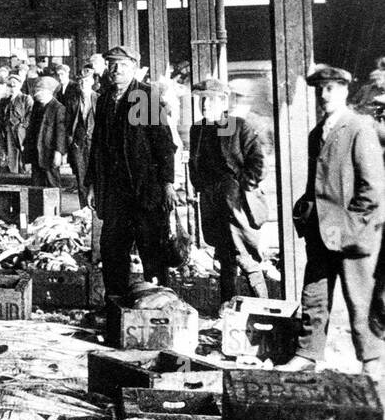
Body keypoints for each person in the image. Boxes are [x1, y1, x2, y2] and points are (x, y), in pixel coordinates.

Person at [283, 66, 385, 377]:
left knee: (361, 299)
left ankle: (372, 360)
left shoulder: (359, 127)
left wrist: (353, 222)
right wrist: (305, 210)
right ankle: (307, 354)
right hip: (320, 232)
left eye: (330, 88)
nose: (323, 95)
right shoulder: (318, 133)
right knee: (314, 295)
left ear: (344, 91)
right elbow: (317, 182)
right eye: (319, 89)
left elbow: (373, 186)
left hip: (352, 233)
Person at [89, 45, 177, 297]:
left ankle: (157, 304)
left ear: (134, 69)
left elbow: (163, 142)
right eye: (112, 65)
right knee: (112, 248)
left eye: (123, 66)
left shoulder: (144, 96)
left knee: (151, 249)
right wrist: (94, 184)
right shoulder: (106, 98)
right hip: (116, 192)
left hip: (145, 189)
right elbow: (97, 145)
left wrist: (167, 183)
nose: (116, 70)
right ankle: (116, 304)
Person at [187, 78, 268, 301]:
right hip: (212, 201)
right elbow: (195, 163)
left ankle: (264, 306)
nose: (204, 105)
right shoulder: (199, 129)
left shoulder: (236, 125)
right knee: (224, 256)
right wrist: (202, 186)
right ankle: (227, 307)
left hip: (236, 202)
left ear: (223, 102)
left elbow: (258, 163)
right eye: (202, 100)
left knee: (243, 254)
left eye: (211, 100)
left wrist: (242, 188)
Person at [64, 64, 99, 207]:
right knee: (81, 177)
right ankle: (84, 209)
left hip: (96, 144)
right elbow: (67, 123)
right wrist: (70, 142)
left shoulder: (100, 99)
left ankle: (97, 211)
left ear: (93, 82)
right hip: (78, 144)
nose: (83, 83)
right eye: (81, 81)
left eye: (87, 80)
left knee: (97, 176)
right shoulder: (72, 101)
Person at [26, 76, 67, 188]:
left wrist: (58, 152)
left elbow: (61, 133)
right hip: (36, 153)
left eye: (39, 92)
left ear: (48, 92)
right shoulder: (37, 106)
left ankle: (54, 206)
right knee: (36, 186)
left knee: (52, 184)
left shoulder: (59, 108)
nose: (36, 95)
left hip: (50, 154)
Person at [0, 71, 32, 173]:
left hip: (20, 135)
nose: (12, 88)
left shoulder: (26, 99)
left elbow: (30, 116)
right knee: (5, 157)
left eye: (14, 86)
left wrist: (21, 127)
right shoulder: (3, 101)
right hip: (6, 134)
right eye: (9, 86)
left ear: (20, 86)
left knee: (21, 160)